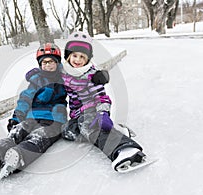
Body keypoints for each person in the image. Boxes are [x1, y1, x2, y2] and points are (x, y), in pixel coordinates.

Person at [0, 43, 67, 182]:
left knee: (38, 137)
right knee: (17, 132)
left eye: (51, 62)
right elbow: (25, 99)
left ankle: (19, 155)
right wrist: (17, 117)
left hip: (54, 120)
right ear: (40, 65)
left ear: (58, 63)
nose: (48, 65)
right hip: (32, 116)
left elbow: (81, 86)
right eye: (44, 62)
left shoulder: (65, 79)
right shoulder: (36, 81)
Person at [61, 31, 146, 172]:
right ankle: (118, 130)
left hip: (93, 110)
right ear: (68, 56)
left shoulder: (91, 76)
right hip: (76, 114)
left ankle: (124, 148)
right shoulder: (65, 72)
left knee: (89, 128)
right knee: (68, 131)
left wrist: (103, 113)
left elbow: (102, 97)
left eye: (82, 57)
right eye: (74, 55)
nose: (77, 60)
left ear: (88, 59)